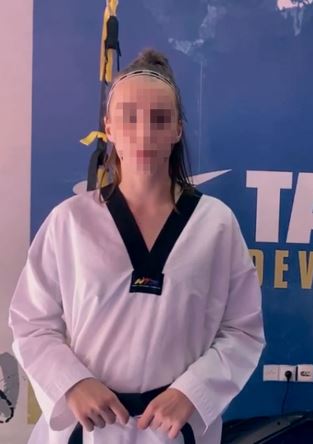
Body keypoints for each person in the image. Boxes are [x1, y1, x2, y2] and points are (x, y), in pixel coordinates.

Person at [9, 48, 265, 444]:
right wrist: (71, 384)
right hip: (88, 429)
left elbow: (242, 330)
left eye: (159, 119)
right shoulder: (70, 221)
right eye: (129, 117)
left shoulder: (216, 224)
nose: (144, 133)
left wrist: (192, 392)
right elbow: (31, 322)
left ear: (177, 130)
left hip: (172, 430)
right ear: (109, 127)